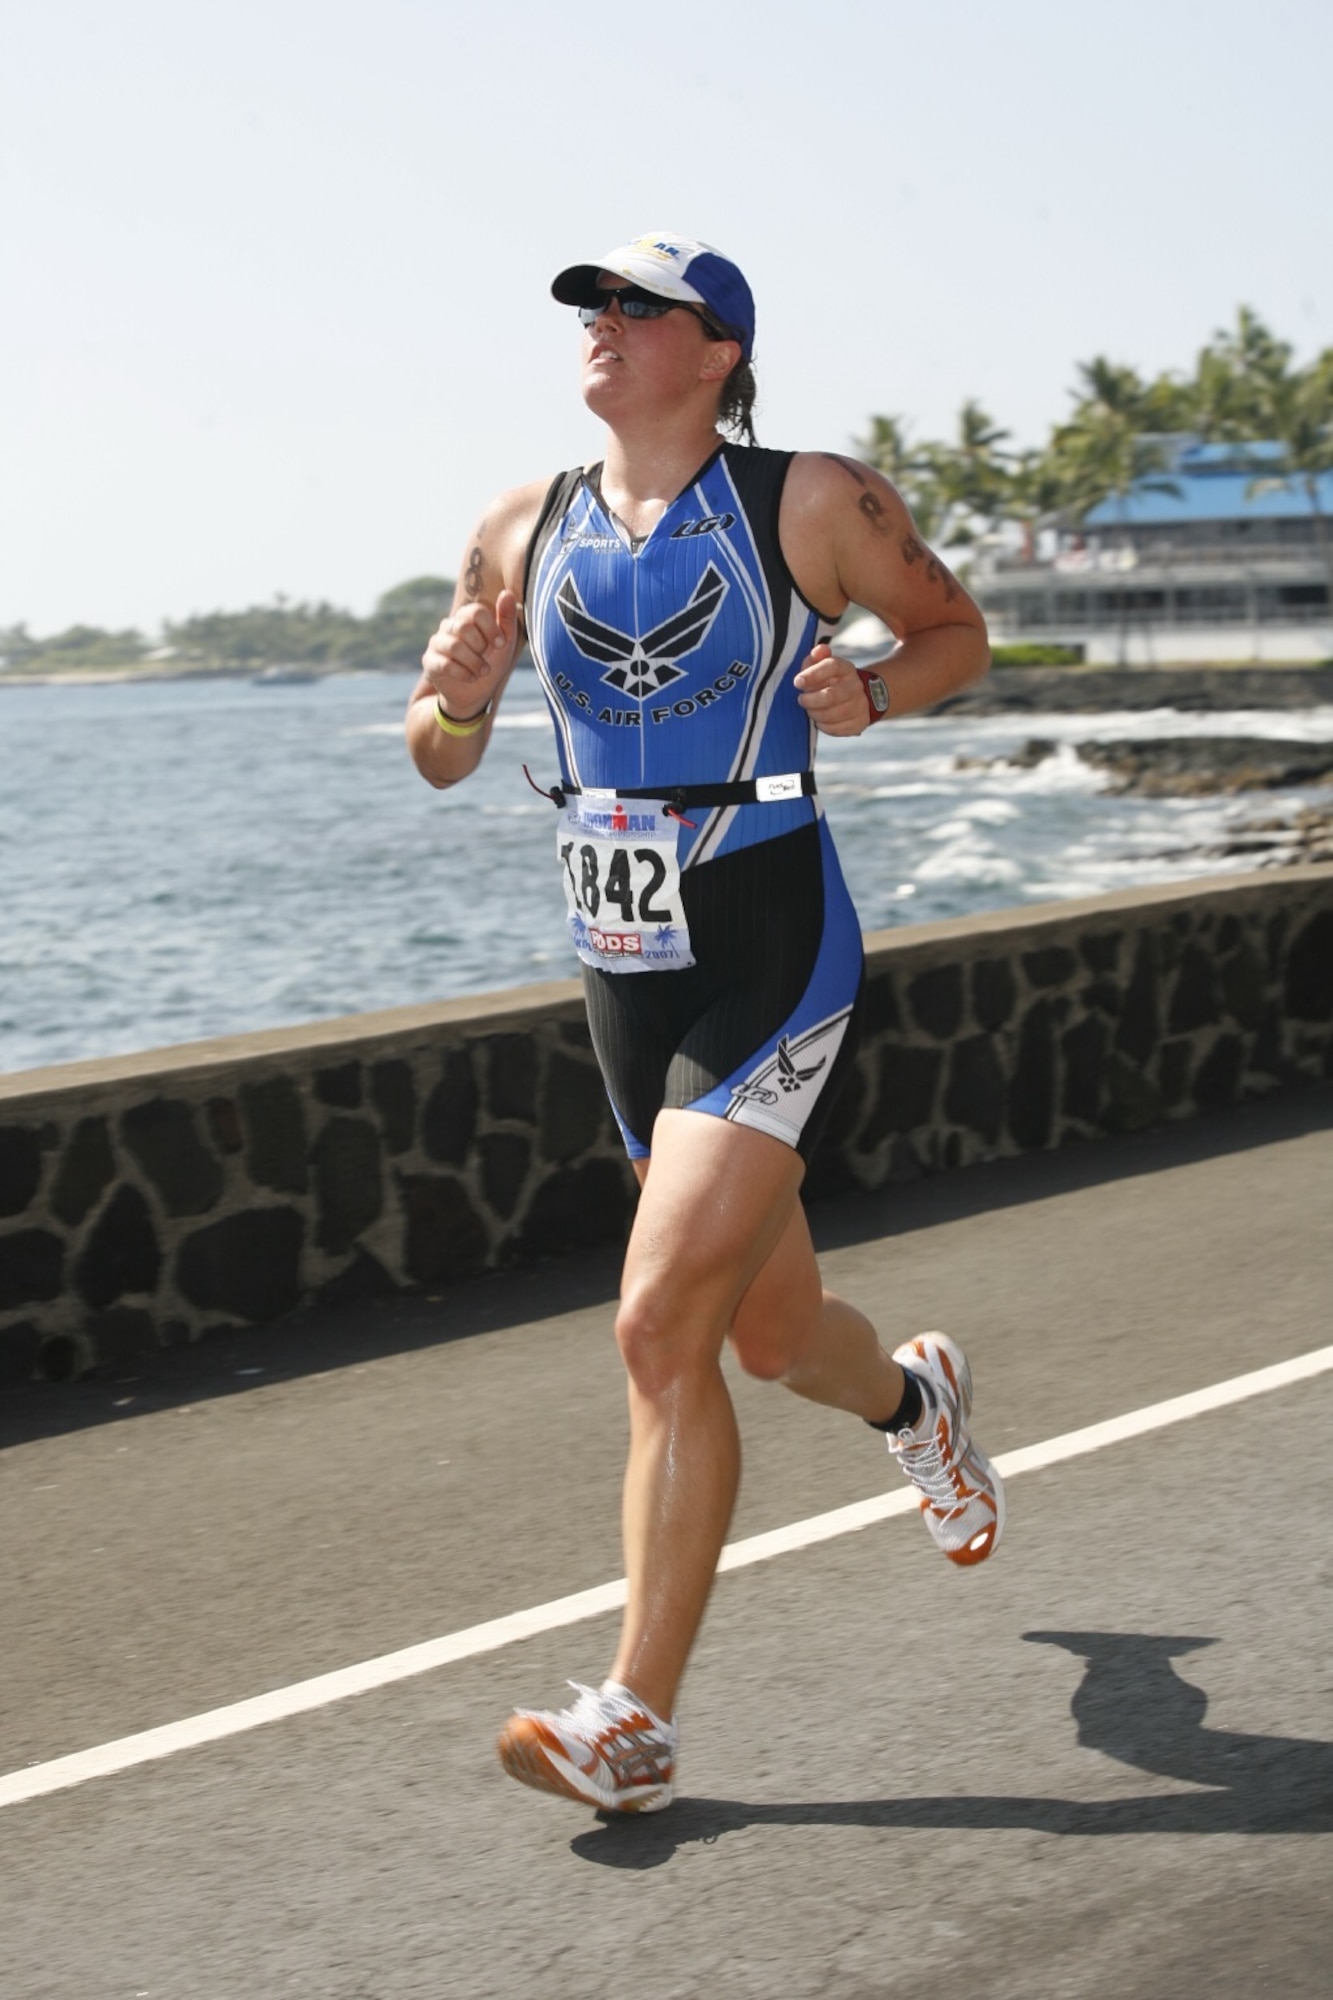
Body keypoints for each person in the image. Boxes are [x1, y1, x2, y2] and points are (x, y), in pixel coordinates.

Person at [405, 232, 1004, 1816]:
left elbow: (957, 634)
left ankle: (635, 1719)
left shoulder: (809, 500)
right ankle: (915, 1403)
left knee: (657, 1325)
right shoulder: (518, 526)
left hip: (766, 942)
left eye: (632, 307)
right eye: (590, 308)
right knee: (764, 1333)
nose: (598, 328)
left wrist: (873, 694)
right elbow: (438, 750)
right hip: (621, 961)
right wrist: (459, 694)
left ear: (715, 351)